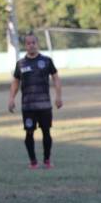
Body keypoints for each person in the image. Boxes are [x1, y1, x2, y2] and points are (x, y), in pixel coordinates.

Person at [7, 33, 62, 169]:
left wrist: (58, 96)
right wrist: (11, 98)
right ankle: (33, 161)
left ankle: (47, 160)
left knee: (46, 132)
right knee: (29, 133)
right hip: (28, 106)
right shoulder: (21, 64)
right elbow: (15, 82)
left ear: (37, 44)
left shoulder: (47, 61)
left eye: (33, 43)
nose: (31, 45)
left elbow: (56, 78)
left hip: (44, 105)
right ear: (25, 46)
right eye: (28, 43)